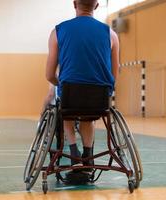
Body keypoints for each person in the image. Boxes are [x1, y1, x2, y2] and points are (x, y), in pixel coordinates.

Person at [45, 0, 120, 175]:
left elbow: (49, 75)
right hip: (99, 98)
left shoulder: (58, 31)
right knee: (89, 115)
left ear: (74, 4)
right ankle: (88, 156)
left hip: (70, 94)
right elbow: (114, 75)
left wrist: (60, 85)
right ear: (96, 5)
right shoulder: (111, 34)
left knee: (66, 107)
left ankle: (73, 152)